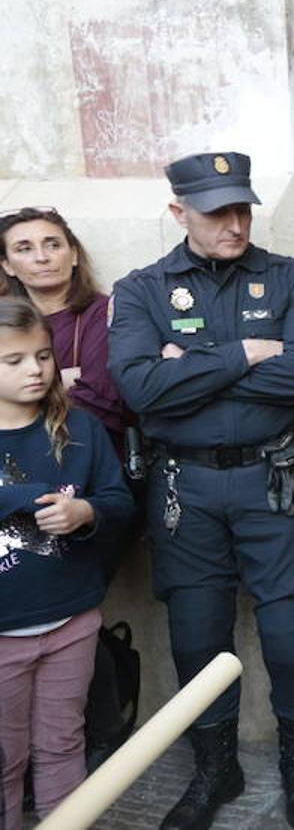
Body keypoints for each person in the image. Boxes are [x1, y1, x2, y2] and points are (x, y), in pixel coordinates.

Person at [107, 151, 294, 830]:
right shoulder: (143, 288)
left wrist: (190, 369)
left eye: (243, 208)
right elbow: (141, 390)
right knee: (197, 630)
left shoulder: (291, 278)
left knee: (291, 627)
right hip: (186, 487)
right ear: (180, 212)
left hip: (275, 479)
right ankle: (216, 766)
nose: (236, 223)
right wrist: (245, 353)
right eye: (217, 212)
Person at [0, 297, 134, 830]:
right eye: (13, 361)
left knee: (61, 745)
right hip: (2, 634)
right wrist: (23, 499)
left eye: (42, 356)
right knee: (3, 760)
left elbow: (120, 502)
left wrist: (85, 511)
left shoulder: (79, 429)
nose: (34, 370)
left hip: (72, 622)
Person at [0, 208, 133, 451]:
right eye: (24, 248)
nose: (42, 257)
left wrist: (17, 394)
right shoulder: (4, 321)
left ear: (73, 255)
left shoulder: (107, 313)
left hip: (87, 455)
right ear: (7, 265)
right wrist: (66, 379)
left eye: (52, 245)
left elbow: (102, 402)